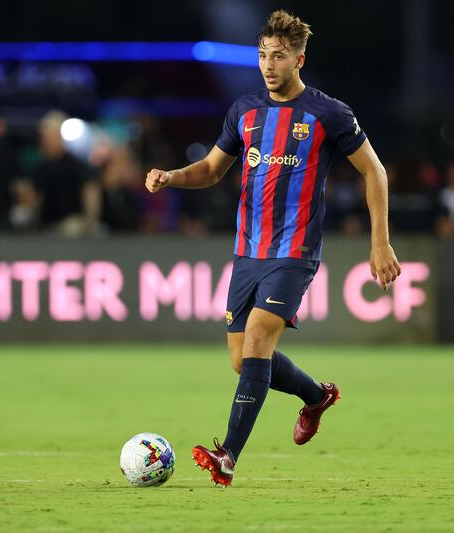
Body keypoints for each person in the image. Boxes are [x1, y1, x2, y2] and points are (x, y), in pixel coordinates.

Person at [145, 10, 400, 488]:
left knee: (260, 340)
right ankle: (316, 396)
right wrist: (173, 176)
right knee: (244, 361)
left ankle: (227, 457)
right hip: (248, 253)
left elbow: (375, 172)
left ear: (299, 59)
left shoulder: (329, 113)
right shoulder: (243, 111)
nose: (268, 64)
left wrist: (380, 241)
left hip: (294, 251)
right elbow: (211, 169)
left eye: (278, 56)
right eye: (262, 55)